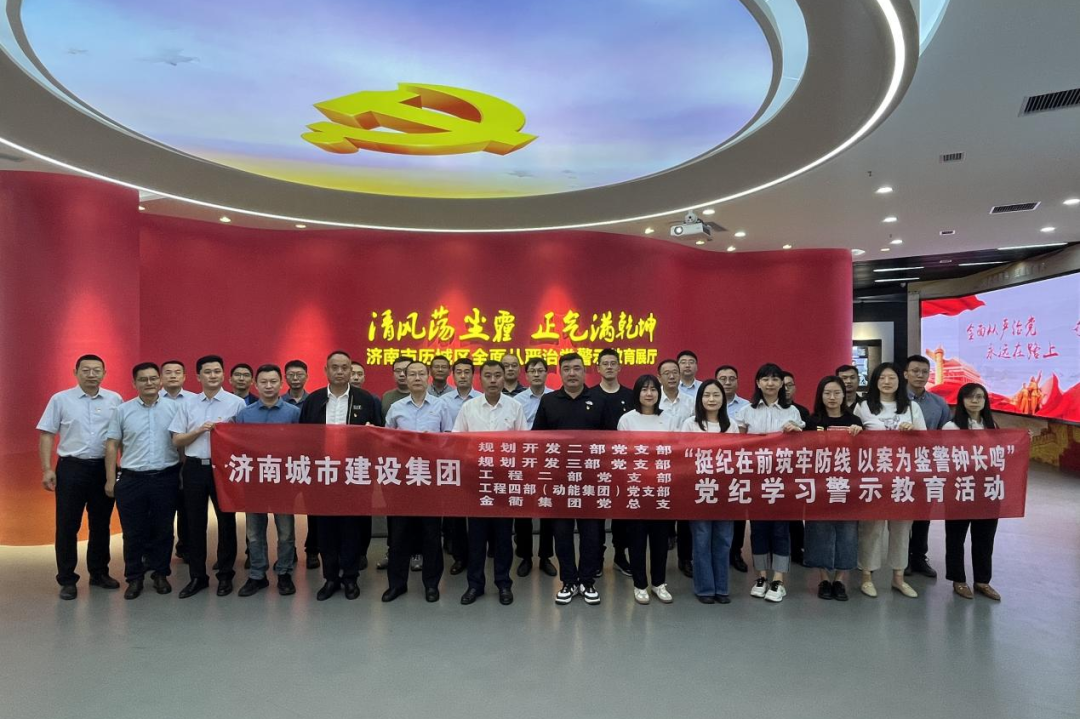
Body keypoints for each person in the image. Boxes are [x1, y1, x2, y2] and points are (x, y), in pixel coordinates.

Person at [532, 353, 619, 606]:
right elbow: (537, 440)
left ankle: (587, 581)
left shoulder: (600, 400)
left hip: (591, 480)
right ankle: (568, 581)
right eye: (567, 369)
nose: (572, 373)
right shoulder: (549, 401)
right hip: (560, 480)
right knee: (562, 533)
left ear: (585, 371)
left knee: (592, 533)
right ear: (560, 372)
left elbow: (612, 440)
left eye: (577, 368)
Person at [299, 350, 384, 600]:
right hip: (322, 474)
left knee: (351, 528)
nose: (339, 372)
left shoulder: (366, 400)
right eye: (334, 367)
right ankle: (330, 578)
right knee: (325, 528)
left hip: (354, 474)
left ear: (351, 371)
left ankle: (350, 577)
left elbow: (379, 435)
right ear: (326, 370)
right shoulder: (314, 400)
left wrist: (371, 432)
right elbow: (302, 438)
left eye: (344, 367)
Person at [37, 354, 123, 600]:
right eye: (86, 370)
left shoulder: (115, 399)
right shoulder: (61, 399)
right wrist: (47, 468)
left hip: (104, 468)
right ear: (75, 372)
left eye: (97, 370)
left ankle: (99, 572)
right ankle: (67, 579)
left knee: (101, 523)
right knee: (67, 525)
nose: (91, 374)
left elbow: (122, 435)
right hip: (71, 468)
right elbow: (47, 434)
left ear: (104, 373)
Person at [169, 355, 247, 598]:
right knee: (194, 523)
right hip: (194, 467)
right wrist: (198, 431)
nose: (212, 375)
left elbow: (245, 439)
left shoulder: (237, 403)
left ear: (223, 375)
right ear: (198, 376)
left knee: (226, 522)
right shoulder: (188, 404)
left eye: (216, 371)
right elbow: (176, 440)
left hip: (225, 469)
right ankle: (197, 577)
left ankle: (225, 576)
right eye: (207, 372)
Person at [104, 362, 181, 599]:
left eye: (153, 378)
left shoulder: (175, 408)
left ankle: (160, 574)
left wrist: (182, 475)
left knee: (163, 530)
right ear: (134, 383)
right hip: (131, 479)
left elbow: (181, 444)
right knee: (132, 532)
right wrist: (110, 480)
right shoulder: (122, 410)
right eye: (143, 379)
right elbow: (112, 444)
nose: (149, 383)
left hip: (165, 477)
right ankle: (134, 577)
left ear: (160, 381)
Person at [455, 360, 528, 606]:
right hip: (477, 482)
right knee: (476, 537)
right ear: (480, 379)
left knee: (503, 537)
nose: (494, 380)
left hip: (504, 482)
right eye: (488, 375)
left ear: (505, 377)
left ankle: (503, 583)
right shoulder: (469, 408)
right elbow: (457, 442)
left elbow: (523, 445)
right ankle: (475, 585)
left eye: (498, 375)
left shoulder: (515, 407)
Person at [854, 362, 926, 599]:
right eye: (882, 378)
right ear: (875, 381)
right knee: (871, 528)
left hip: (903, 478)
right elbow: (853, 438)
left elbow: (926, 441)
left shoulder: (912, 407)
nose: (887, 382)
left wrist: (912, 431)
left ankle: (898, 577)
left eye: (892, 378)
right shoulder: (864, 406)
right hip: (873, 477)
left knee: (901, 529)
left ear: (900, 381)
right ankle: (867, 576)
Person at [735, 363, 804, 603]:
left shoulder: (792, 412)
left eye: (775, 379)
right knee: (759, 529)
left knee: (781, 530)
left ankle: (778, 580)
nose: (770, 383)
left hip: (783, 481)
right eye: (765, 379)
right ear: (758, 382)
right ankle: (761, 577)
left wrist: (796, 432)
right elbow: (738, 445)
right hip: (756, 480)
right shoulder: (746, 411)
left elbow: (801, 447)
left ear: (782, 383)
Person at [383, 361, 451, 602]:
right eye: (412, 374)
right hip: (402, 480)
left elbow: (450, 439)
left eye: (421, 373)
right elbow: (386, 440)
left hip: (430, 479)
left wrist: (433, 443)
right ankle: (397, 584)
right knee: (399, 534)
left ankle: (431, 584)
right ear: (405, 378)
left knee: (431, 533)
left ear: (428, 376)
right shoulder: (396, 408)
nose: (417, 378)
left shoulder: (441, 406)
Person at [234, 364, 301, 597]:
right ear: (256, 384)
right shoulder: (245, 414)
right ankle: (257, 575)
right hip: (254, 482)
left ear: (281, 383)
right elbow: (237, 447)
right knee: (254, 532)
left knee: (286, 532)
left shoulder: (293, 413)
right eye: (264, 382)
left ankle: (284, 572)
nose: (269, 386)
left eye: (273, 381)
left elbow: (302, 445)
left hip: (284, 482)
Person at [617, 374, 678, 604]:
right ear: (637, 393)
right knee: (637, 539)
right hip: (636, 487)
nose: (649, 393)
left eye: (653, 389)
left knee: (660, 539)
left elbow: (676, 452)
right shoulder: (627, 420)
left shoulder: (669, 419)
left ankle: (659, 583)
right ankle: (640, 584)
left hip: (661, 486)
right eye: (644, 389)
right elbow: (622, 453)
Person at [681, 380, 741, 604]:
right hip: (699, 490)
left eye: (716, 395)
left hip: (725, 490)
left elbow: (736, 457)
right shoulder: (690, 424)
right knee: (702, 539)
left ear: (723, 399)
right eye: (707, 395)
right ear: (700, 399)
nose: (712, 399)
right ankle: (705, 588)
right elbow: (683, 456)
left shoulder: (731, 425)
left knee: (724, 540)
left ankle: (722, 588)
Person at [804, 376, 863, 601]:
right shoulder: (812, 421)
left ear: (843, 395)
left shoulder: (854, 420)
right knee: (819, 531)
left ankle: (839, 579)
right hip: (819, 485)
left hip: (847, 486)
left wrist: (860, 434)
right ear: (820, 395)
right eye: (827, 393)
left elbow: (863, 453)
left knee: (847, 532)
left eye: (836, 393)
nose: (832, 397)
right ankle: (823, 579)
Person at [943, 383, 1002, 601]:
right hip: (961, 488)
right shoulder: (951, 427)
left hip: (987, 489)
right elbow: (946, 458)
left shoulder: (992, 426)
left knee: (985, 537)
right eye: (969, 397)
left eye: (979, 397)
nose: (975, 401)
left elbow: (1001, 453)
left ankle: (982, 580)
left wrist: (1022, 440)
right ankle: (958, 579)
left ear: (985, 401)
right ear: (962, 401)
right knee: (956, 536)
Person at [905, 354, 950, 580]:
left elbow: (946, 434)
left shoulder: (939, 404)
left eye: (924, 372)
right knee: (902, 514)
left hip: (927, 466)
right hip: (900, 465)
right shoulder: (896, 401)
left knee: (923, 513)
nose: (920, 375)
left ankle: (919, 557)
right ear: (905, 374)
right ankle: (902, 559)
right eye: (915, 371)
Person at [513, 357, 556, 577]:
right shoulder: (517, 401)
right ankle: (525, 556)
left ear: (546, 373)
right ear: (526, 375)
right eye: (532, 371)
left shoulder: (556, 398)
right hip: (524, 460)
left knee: (548, 508)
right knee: (523, 509)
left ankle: (545, 556)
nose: (537, 374)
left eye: (540, 370)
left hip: (549, 460)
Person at [438, 357, 482, 574]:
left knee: (477, 512)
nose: (463, 376)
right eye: (459, 372)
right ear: (452, 375)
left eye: (467, 372)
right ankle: (459, 557)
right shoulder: (443, 402)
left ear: (473, 375)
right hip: (452, 462)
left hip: (477, 463)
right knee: (455, 513)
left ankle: (477, 554)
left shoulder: (482, 399)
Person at [594, 348, 635, 577]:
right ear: (598, 368)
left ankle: (620, 555)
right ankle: (597, 558)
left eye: (613, 363)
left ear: (619, 367)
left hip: (624, 465)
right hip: (597, 465)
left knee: (622, 513)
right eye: (605, 363)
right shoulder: (590, 395)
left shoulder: (631, 396)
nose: (609, 367)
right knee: (598, 513)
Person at [658, 358, 694, 577]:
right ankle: (660, 559)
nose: (672, 376)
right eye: (667, 373)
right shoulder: (653, 400)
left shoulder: (691, 402)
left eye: (675, 372)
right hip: (660, 463)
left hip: (686, 464)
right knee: (662, 510)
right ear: (659, 377)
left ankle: (685, 558)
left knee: (685, 513)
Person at [159, 359, 196, 563]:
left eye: (177, 372)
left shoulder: (194, 400)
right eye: (168, 372)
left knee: (186, 508)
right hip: (161, 462)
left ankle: (186, 547)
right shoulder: (151, 399)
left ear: (184, 377)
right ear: (161, 377)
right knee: (161, 511)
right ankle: (156, 553)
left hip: (188, 461)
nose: (173, 376)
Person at [715, 364, 749, 573]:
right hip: (710, 468)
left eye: (731, 378)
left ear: (737, 381)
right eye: (723, 378)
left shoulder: (747, 407)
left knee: (737, 512)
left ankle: (735, 552)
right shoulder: (705, 404)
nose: (727, 382)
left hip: (737, 467)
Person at [781, 370, 811, 565]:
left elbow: (809, 442)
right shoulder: (760, 410)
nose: (786, 389)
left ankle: (798, 550)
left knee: (794, 514)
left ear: (795, 388)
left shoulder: (802, 412)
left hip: (794, 470)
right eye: (782, 385)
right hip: (770, 470)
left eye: (789, 385)